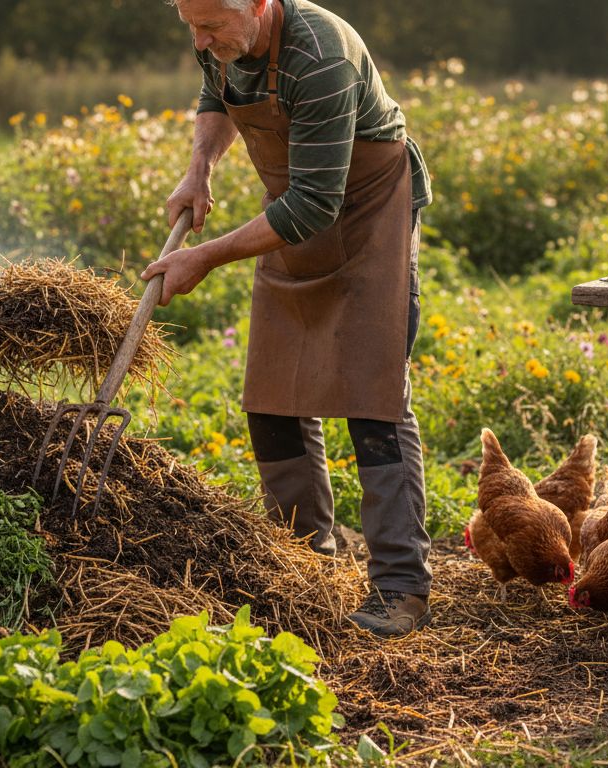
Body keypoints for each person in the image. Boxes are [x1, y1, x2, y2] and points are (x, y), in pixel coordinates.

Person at [143, 0, 434, 637]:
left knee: (373, 396)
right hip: (294, 211)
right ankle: (304, 571)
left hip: (362, 211)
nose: (200, 37)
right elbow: (217, 96)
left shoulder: (318, 54)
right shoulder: (218, 36)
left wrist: (207, 257)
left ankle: (400, 587)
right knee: (271, 395)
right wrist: (199, 170)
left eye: (212, 22)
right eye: (190, 23)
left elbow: (314, 205)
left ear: (259, 4)